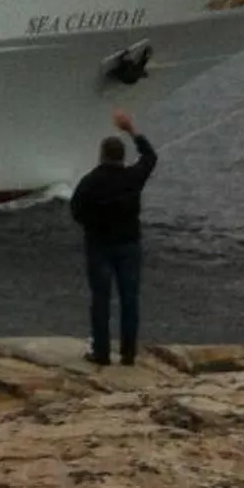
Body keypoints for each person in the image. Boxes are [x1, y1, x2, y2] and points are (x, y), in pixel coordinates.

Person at [68, 109, 156, 365]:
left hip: (99, 246)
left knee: (101, 300)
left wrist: (92, 226)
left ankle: (101, 352)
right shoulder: (132, 177)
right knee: (129, 299)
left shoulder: (90, 181)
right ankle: (128, 353)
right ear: (122, 156)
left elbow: (76, 210)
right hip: (129, 244)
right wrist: (132, 130)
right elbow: (150, 157)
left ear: (101, 155)